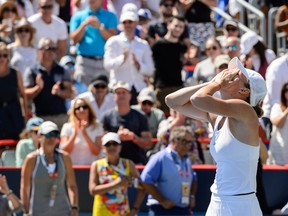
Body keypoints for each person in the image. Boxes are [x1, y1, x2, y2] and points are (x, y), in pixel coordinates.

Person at [165, 57, 266, 215]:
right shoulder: (216, 115)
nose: (229, 73)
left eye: (237, 75)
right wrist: (211, 82)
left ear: (244, 91)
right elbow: (172, 101)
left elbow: (198, 99)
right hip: (216, 201)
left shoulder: (245, 110)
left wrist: (217, 84)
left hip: (241, 206)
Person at [21, 121, 79, 216]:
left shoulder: (65, 157)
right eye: (48, 134)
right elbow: (25, 188)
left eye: (55, 134)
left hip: (63, 211)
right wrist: (26, 211)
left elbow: (72, 185)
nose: (51, 138)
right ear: (39, 137)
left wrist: (74, 207)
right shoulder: (31, 159)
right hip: (38, 212)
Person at [141, 126, 197, 215]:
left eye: (189, 142)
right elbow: (145, 180)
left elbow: (194, 178)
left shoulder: (186, 160)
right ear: (173, 140)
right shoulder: (161, 157)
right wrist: (162, 200)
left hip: (183, 209)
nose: (187, 145)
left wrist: (192, 196)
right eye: (184, 141)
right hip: (162, 210)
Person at [104, 10, 154, 105]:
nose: (127, 25)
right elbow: (107, 65)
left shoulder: (143, 44)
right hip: (119, 89)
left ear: (135, 23)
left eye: (130, 22)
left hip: (139, 89)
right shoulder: (113, 42)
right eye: (124, 22)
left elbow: (150, 70)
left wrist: (138, 65)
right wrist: (122, 59)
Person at [89, 132, 145, 216]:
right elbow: (93, 190)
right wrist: (116, 184)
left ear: (120, 147)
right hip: (101, 213)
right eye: (108, 144)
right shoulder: (96, 165)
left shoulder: (128, 164)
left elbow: (142, 187)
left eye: (115, 144)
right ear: (103, 147)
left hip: (122, 212)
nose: (111, 147)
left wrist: (135, 209)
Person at [24, 38, 73, 129]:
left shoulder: (62, 70)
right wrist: (38, 88)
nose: (51, 52)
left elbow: (70, 93)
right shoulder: (32, 70)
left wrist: (60, 92)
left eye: (54, 49)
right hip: (40, 117)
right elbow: (25, 94)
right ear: (40, 50)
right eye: (48, 49)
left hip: (60, 117)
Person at [101, 81, 153, 165]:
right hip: (113, 164)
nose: (121, 95)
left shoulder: (140, 117)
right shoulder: (106, 117)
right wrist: (116, 137)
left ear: (130, 95)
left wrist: (133, 137)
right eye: (118, 93)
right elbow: (101, 142)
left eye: (124, 92)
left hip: (136, 163)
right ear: (114, 96)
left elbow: (148, 143)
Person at [70, 0, 118, 85]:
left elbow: (112, 39)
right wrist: (84, 25)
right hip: (84, 63)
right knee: (82, 94)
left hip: (103, 63)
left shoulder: (111, 16)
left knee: (103, 94)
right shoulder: (78, 16)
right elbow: (74, 39)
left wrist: (100, 27)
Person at [152, 15, 187, 113]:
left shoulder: (182, 47)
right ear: (168, 25)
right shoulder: (158, 45)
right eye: (176, 26)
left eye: (181, 27)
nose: (178, 29)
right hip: (162, 88)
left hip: (178, 87)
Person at [60, 97, 104, 165]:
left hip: (91, 169)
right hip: (71, 169)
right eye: (78, 108)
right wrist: (75, 133)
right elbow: (65, 151)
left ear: (89, 109)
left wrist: (85, 134)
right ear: (74, 111)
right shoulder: (67, 127)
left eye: (84, 107)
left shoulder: (97, 127)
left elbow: (97, 152)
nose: (81, 110)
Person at [0, 41, 28, 140]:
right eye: (0, 55)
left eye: (4, 55)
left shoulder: (15, 73)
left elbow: (23, 95)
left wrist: (25, 116)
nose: (2, 58)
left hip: (14, 114)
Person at [267, 82, 288, 165]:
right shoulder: (277, 107)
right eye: (286, 90)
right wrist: (286, 111)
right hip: (279, 152)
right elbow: (278, 123)